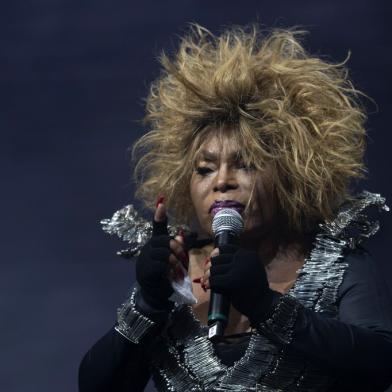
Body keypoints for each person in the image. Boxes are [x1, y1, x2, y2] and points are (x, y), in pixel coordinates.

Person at [78, 24, 392, 391]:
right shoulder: (173, 274)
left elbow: (382, 365)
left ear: (290, 175)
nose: (222, 181)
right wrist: (148, 304)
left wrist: (266, 306)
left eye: (246, 164)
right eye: (205, 169)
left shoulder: (336, 265)